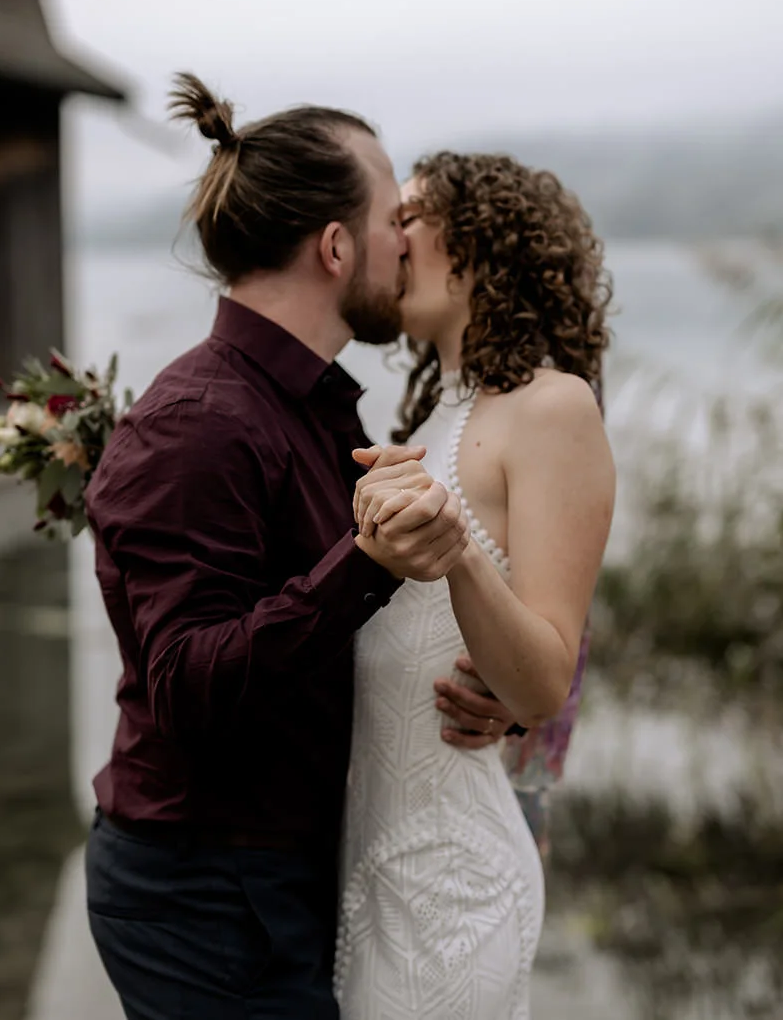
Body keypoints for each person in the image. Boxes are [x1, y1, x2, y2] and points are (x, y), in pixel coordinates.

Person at [80, 74, 521, 1019]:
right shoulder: (199, 422)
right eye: (392, 219)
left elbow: (324, 644)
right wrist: (367, 562)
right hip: (203, 892)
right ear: (334, 247)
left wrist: (481, 693)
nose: (407, 242)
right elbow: (189, 688)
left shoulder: (312, 408)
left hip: (276, 873)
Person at [334, 152, 615, 1019]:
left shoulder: (553, 407)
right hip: (369, 867)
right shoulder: (430, 418)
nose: (393, 238)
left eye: (411, 216)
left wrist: (456, 552)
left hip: (452, 887)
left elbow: (542, 681)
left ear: (482, 243)